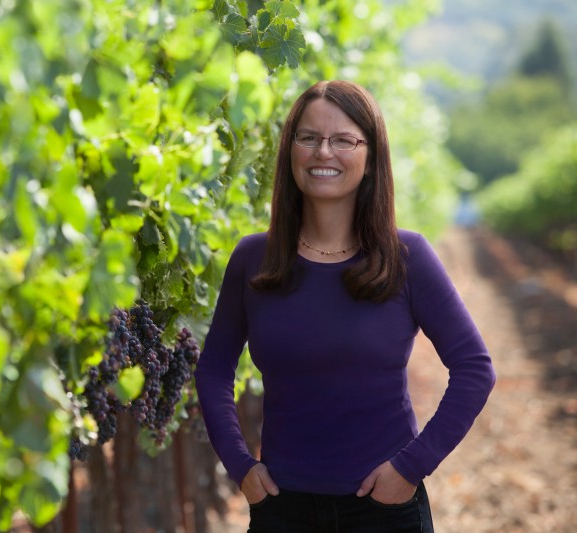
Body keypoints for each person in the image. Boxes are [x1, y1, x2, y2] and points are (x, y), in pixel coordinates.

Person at [193, 80, 496, 532]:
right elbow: (214, 369)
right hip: (282, 509)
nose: (323, 152)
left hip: (383, 510)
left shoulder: (406, 257)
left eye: (343, 140)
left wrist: (411, 468)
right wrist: (240, 467)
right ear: (290, 150)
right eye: (308, 137)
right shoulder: (253, 259)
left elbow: (475, 368)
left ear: (371, 156)